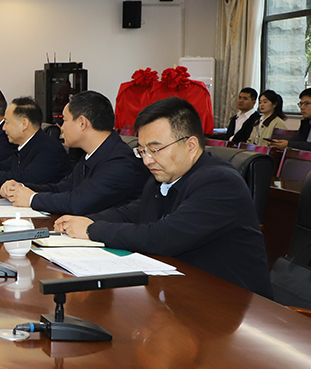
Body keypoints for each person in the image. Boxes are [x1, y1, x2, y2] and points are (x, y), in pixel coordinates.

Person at [56, 96, 272, 297]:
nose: (147, 160)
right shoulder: (163, 177)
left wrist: (91, 230)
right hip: (182, 291)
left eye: (155, 150)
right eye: (142, 151)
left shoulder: (220, 183)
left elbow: (162, 237)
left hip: (234, 303)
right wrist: (85, 221)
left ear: (190, 145)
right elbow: (133, 213)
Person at [1, 90, 150, 215]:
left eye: (65, 120)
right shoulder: (92, 154)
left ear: (82, 123)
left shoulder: (120, 162)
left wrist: (32, 198)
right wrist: (20, 188)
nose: (61, 127)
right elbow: (61, 188)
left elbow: (79, 203)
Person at [0, 97, 70, 188]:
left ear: (24, 124)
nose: (3, 128)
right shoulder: (26, 146)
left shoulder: (49, 149)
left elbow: (27, 178)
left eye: (7, 122)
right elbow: (2, 166)